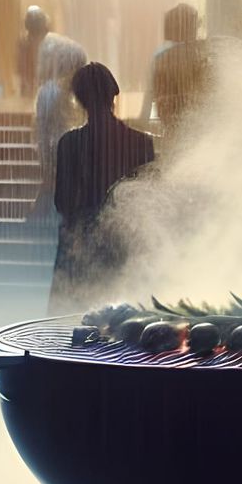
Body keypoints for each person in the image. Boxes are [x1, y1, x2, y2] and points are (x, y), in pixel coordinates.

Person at [49, 63, 155, 308]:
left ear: (79, 100)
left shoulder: (69, 143)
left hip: (81, 247)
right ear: (114, 95)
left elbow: (62, 202)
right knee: (123, 329)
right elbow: (149, 202)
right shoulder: (141, 143)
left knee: (70, 326)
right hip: (125, 246)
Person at [33, 35, 89, 214]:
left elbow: (42, 130)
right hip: (62, 150)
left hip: (63, 150)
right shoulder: (55, 91)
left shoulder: (57, 90)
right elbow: (43, 131)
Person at [141, 3, 210, 134]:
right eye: (195, 25)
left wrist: (143, 123)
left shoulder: (160, 55)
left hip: (170, 121)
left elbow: (149, 93)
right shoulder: (201, 53)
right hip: (196, 122)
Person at [118, 0, 163, 92]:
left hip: (147, 24)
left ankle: (143, 81)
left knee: (145, 53)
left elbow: (157, 0)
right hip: (131, 23)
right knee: (132, 51)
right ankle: (131, 81)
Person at [18, 5, 51, 98]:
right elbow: (22, 68)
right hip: (33, 86)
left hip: (38, 86)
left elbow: (22, 68)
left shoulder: (25, 43)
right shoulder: (24, 44)